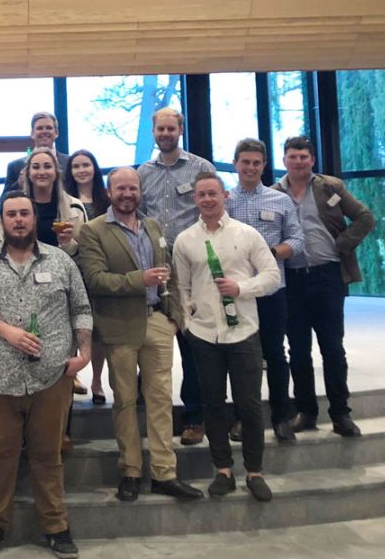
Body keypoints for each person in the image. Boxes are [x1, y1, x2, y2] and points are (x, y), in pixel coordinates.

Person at [0, 191, 93, 559]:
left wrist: (84, 353)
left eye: (24, 214)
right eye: (11, 214)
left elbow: (81, 308)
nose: (18, 220)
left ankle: (56, 526)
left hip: (51, 379)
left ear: (35, 218)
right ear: (1, 220)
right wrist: (8, 332)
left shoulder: (61, 260)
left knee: (47, 456)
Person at [77, 167, 203, 502]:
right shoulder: (93, 231)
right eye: (121, 188)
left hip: (158, 324)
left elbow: (170, 272)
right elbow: (96, 280)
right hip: (120, 328)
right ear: (109, 191)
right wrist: (140, 280)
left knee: (161, 400)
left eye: (132, 187)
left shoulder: (153, 226)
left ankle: (164, 473)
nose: (127, 193)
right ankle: (130, 470)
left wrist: (175, 317)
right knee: (126, 402)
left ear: (139, 191)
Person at [172, 172, 280, 502]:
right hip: (205, 335)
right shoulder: (185, 240)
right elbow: (182, 287)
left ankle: (255, 471)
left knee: (249, 406)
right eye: (201, 194)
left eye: (213, 194)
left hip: (244, 331)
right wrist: (189, 322)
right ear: (195, 199)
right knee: (213, 405)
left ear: (225, 196)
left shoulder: (247, 235)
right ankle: (223, 470)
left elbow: (272, 276)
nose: (207, 199)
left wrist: (241, 288)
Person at [272, 136, 374, 437]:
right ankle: (306, 412)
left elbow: (365, 217)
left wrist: (341, 244)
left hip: (328, 276)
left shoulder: (331, 186)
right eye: (293, 156)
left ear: (312, 160)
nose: (298, 161)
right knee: (299, 350)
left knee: (332, 348)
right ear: (284, 160)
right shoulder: (275, 193)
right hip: (292, 281)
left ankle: (341, 414)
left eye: (304, 156)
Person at [137, 107, 216, 445]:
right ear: (154, 132)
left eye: (171, 128)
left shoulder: (201, 167)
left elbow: (212, 209)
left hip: (192, 268)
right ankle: (155, 414)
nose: (165, 133)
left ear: (180, 130)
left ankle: (195, 417)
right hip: (154, 268)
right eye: (160, 129)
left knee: (193, 344)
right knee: (151, 343)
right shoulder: (142, 172)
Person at [227, 138, 305, 443]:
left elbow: (298, 241)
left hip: (272, 290)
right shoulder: (225, 201)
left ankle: (281, 417)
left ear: (263, 165)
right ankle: (243, 419)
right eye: (245, 162)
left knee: (275, 354)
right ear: (235, 164)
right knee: (241, 357)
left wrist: (272, 253)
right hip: (238, 293)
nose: (250, 167)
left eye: (256, 163)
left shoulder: (280, 201)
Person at [63, 149, 111, 402]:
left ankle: (97, 381)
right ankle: (73, 375)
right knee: (74, 325)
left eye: (86, 165)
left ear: (94, 168)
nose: (82, 170)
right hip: (75, 267)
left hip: (102, 269)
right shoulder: (66, 201)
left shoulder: (107, 199)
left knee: (98, 329)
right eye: (76, 166)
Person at [21, 148, 87, 257]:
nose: (42, 172)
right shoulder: (14, 207)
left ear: (56, 172)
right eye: (36, 167)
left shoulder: (75, 207)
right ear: (28, 173)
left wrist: (67, 242)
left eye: (47, 166)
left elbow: (85, 252)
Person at [3, 112, 68, 197]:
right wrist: (18, 184)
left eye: (48, 128)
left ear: (56, 133)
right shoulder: (15, 166)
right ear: (32, 133)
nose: (44, 131)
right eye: (40, 128)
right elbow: (3, 200)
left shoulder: (69, 162)